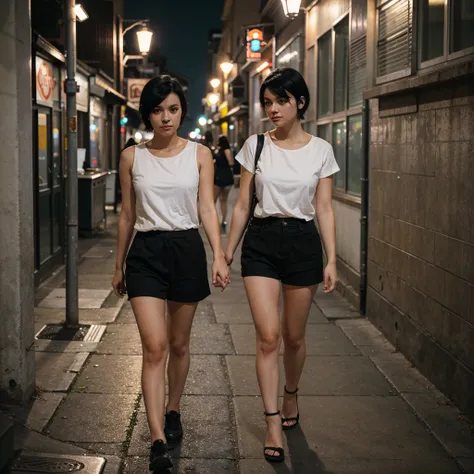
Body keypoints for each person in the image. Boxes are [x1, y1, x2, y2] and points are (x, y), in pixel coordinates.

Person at [112, 75, 229, 472]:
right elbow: (127, 214)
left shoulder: (200, 154)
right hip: (145, 252)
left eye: (173, 109)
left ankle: (174, 407)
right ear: (148, 113)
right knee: (155, 346)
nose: (166, 117)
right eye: (158, 110)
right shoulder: (131, 156)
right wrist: (118, 264)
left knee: (179, 344)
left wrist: (219, 255)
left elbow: (208, 208)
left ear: (182, 110)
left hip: (186, 249)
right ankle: (158, 438)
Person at [224, 67, 339, 464]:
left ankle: (291, 393)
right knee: (268, 336)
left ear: (300, 102)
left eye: (280, 101)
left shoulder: (321, 150)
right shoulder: (255, 146)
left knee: (293, 338)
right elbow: (242, 204)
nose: (272, 109)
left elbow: (323, 207)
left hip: (304, 243)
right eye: (267, 103)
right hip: (262, 242)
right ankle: (272, 419)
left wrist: (332, 258)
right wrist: (225, 253)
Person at [213, 135, 234, 233]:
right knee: (223, 200)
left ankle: (214, 221)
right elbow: (231, 163)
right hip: (228, 177)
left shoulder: (223, 151)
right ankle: (224, 221)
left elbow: (230, 162)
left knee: (213, 200)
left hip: (219, 177)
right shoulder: (227, 150)